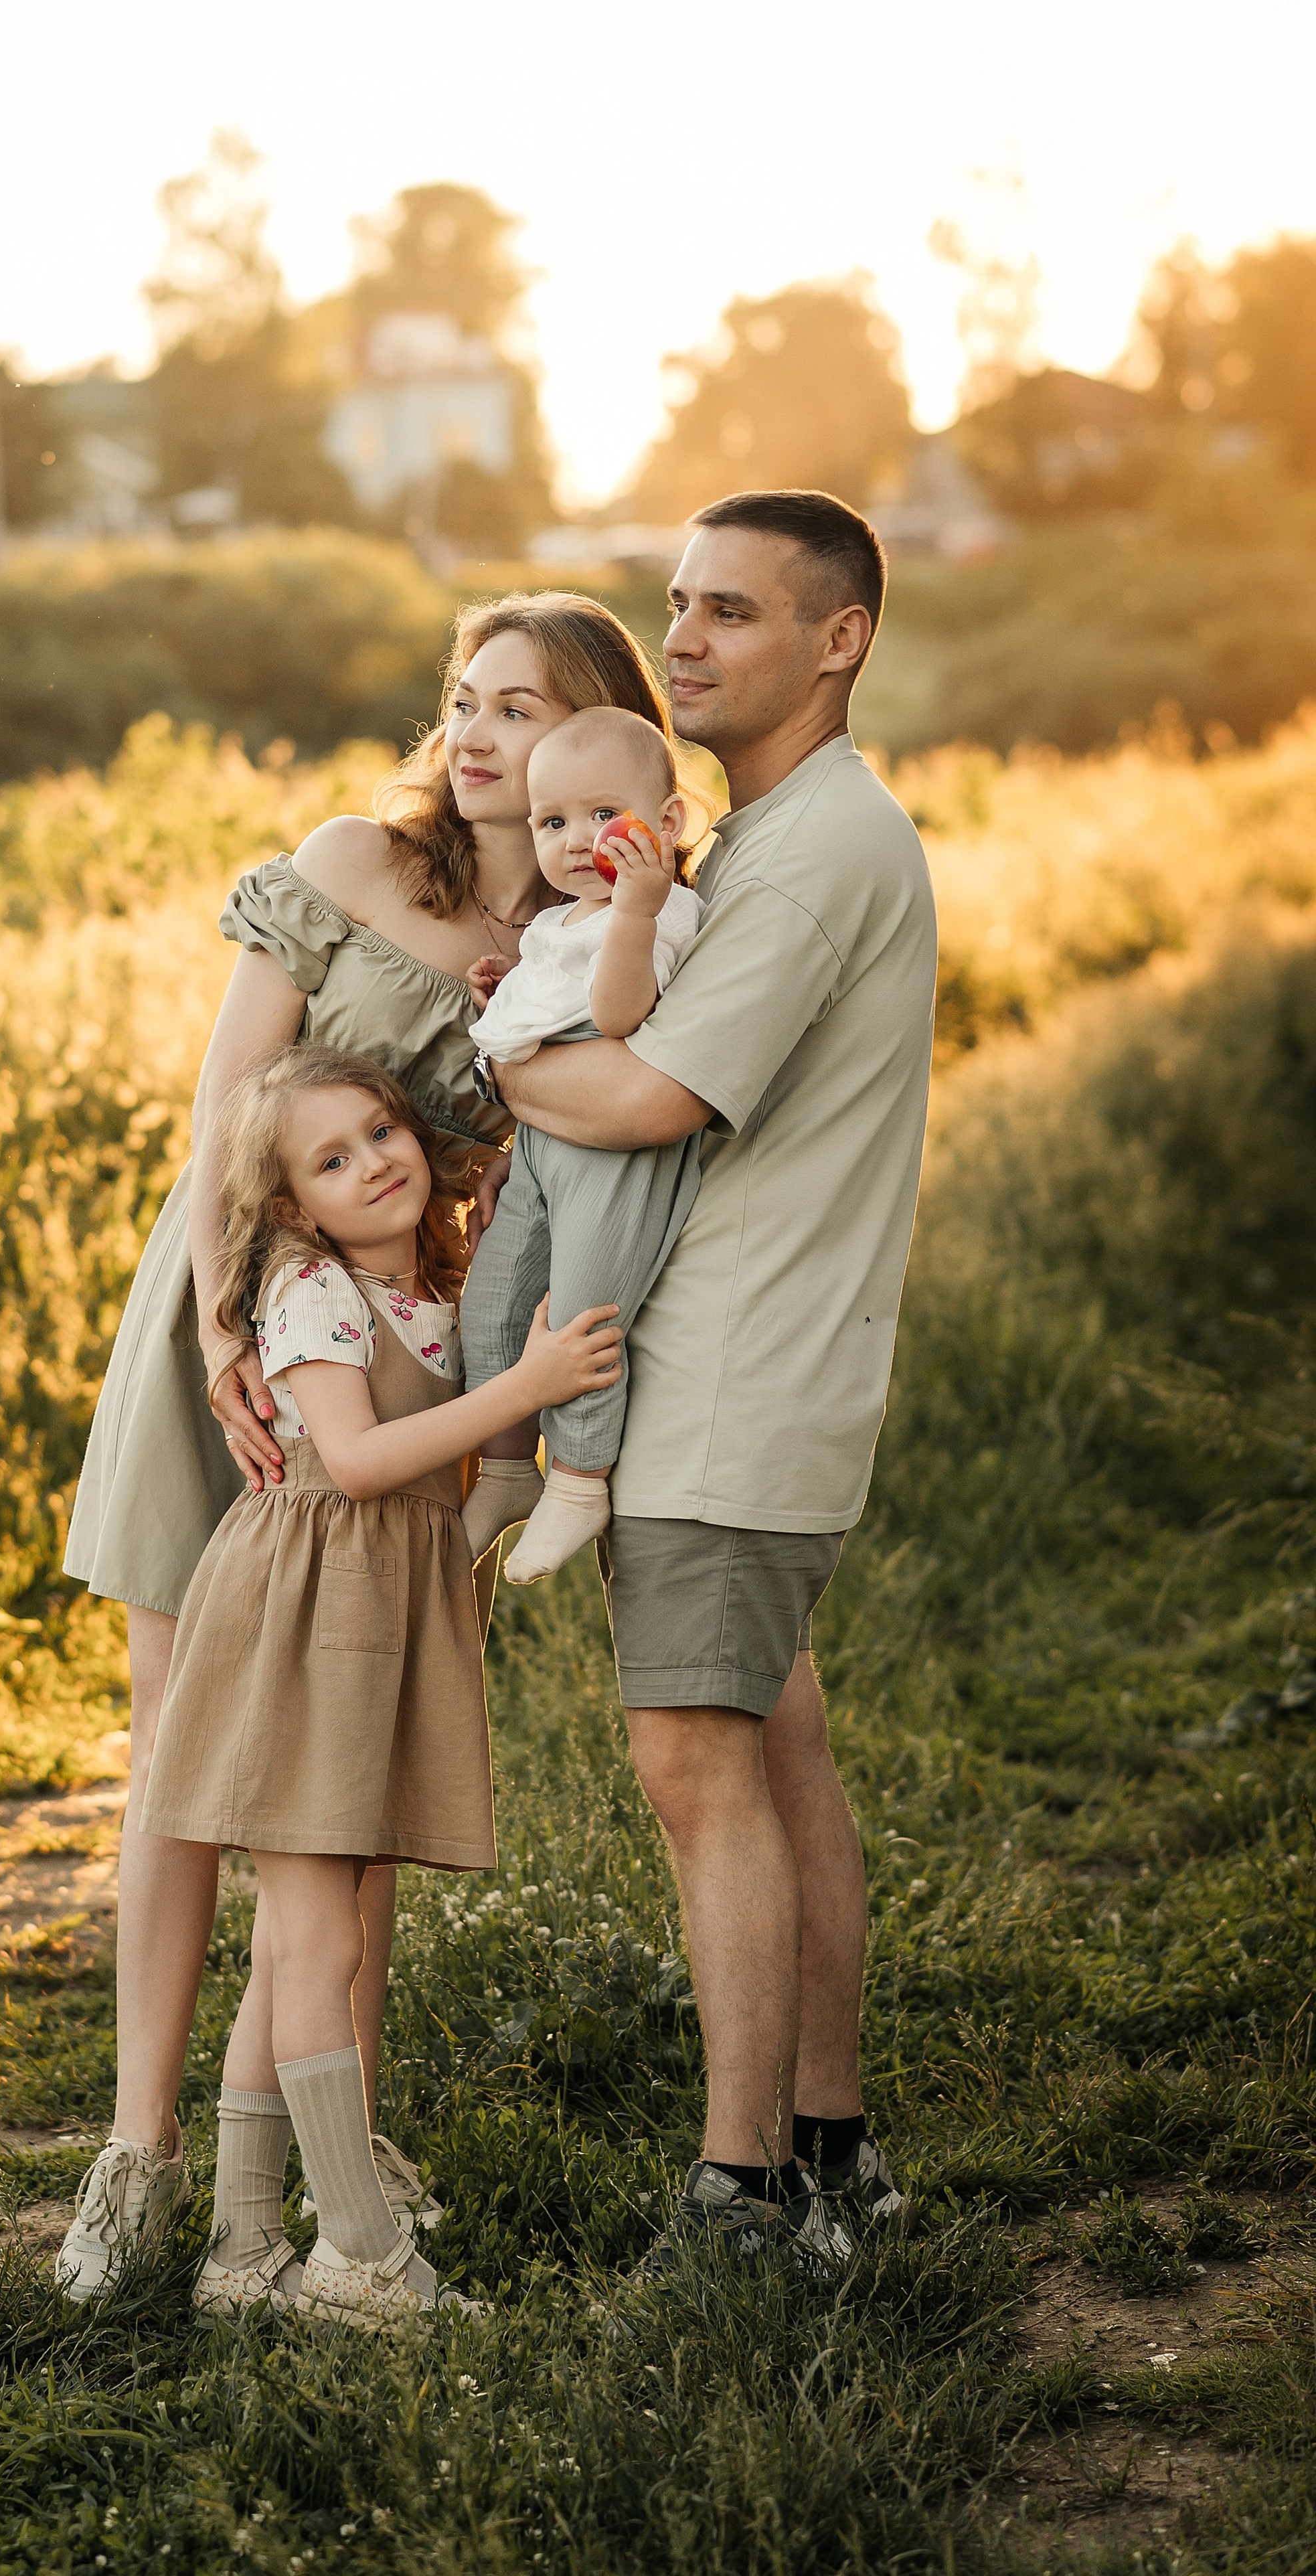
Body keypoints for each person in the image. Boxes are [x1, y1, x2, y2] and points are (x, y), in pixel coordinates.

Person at [54, 591, 677, 2301]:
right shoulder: (348, 862)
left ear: (590, 735)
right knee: (179, 1749)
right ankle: (134, 2161)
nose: (473, 735)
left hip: (398, 1363)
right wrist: (217, 1325)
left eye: (518, 709)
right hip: (231, 1312)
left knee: (349, 1759)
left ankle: (320, 2173)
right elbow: (227, 1103)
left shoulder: (582, 942)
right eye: (462, 698)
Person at [492, 489, 938, 2281]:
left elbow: (649, 1096)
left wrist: (490, 1051)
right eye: (676, 602)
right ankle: (829, 2156)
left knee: (694, 1765)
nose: (681, 638)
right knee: (771, 1750)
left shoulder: (817, 848)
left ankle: (739, 2199)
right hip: (740, 1366)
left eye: (731, 610)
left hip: (731, 1380)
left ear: (839, 640)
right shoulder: (755, 838)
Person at [140, 1047, 621, 2322]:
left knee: (297, 1937)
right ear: (292, 1207)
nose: (373, 1164)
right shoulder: (310, 1293)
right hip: (305, 1617)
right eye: (332, 1160)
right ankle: (362, 2256)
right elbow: (353, 1461)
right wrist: (523, 1389)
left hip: (363, 1618)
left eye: (382, 1132)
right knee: (322, 1937)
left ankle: (243, 2251)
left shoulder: (421, 1284)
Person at [461, 706, 704, 1583]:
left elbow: (616, 1012)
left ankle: (578, 1479)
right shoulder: (561, 921)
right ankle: (503, 1472)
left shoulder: (660, 912)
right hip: (540, 1144)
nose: (575, 841)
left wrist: (635, 909)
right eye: (551, 821)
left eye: (604, 815)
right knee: (491, 1304)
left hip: (610, 1153)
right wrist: (513, 991)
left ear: (667, 823)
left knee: (583, 1320)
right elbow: (562, 992)